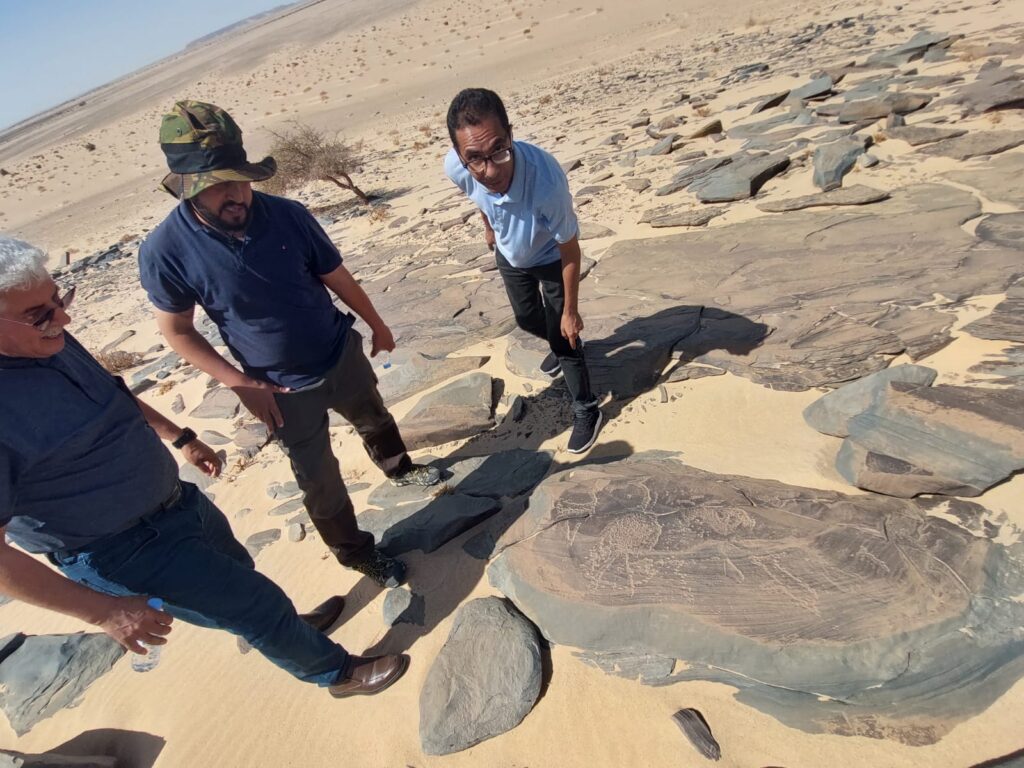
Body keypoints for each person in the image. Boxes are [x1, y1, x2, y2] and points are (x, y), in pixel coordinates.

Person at [0, 235, 408, 696]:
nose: (64, 318)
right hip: (121, 550)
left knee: (241, 571)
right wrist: (102, 612)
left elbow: (112, 396)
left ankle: (286, 629)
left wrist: (182, 437)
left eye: (59, 299)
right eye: (42, 314)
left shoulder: (45, 340)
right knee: (253, 603)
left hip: (176, 504)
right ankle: (336, 674)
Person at [139, 101, 440, 590]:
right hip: (276, 387)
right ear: (185, 188)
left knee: (374, 416)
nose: (235, 194)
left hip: (338, 350)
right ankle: (355, 552)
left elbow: (333, 274)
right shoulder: (164, 250)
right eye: (216, 186)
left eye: (240, 178)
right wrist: (239, 384)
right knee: (317, 477)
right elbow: (177, 331)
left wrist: (376, 323)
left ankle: (398, 468)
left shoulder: (287, 215)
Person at [444, 88, 602, 454]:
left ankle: (587, 407)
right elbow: (476, 192)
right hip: (510, 253)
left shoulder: (546, 184)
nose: (491, 169)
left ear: (511, 134)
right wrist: (488, 227)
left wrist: (570, 312)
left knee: (565, 336)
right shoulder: (458, 167)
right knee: (526, 318)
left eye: (499, 150)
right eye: (476, 159)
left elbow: (570, 248)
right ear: (459, 156)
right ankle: (559, 341)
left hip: (550, 257)